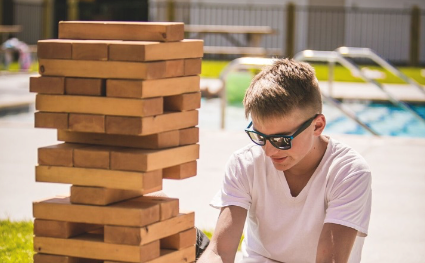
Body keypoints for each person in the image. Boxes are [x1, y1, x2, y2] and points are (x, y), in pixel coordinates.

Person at [197, 58, 372, 263]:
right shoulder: (244, 163)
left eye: (282, 140)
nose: (269, 151)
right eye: (260, 137)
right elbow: (220, 252)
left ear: (317, 126)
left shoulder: (348, 172)